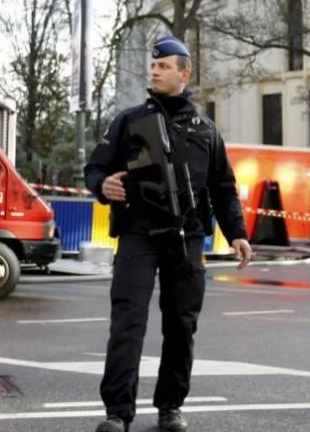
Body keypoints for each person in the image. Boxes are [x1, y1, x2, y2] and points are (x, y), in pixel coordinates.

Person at [84, 35, 253, 432]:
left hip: (187, 236)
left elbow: (224, 187)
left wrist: (238, 233)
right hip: (137, 233)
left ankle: (170, 407)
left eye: (163, 67)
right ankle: (116, 413)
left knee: (181, 324)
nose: (155, 71)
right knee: (128, 321)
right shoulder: (128, 120)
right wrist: (101, 185)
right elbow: (95, 168)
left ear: (184, 72)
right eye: (153, 66)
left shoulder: (206, 130)